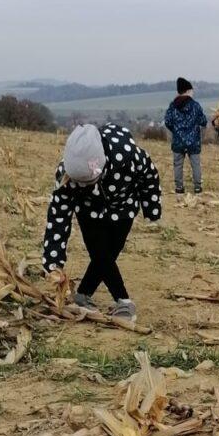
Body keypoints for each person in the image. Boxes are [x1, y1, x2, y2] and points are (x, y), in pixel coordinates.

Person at [41, 122, 162, 321]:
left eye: (88, 182)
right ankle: (123, 301)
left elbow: (149, 176)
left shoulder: (129, 155)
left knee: (111, 250)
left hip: (124, 205)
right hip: (88, 209)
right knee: (100, 253)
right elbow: (58, 216)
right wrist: (53, 262)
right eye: (79, 183)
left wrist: (151, 208)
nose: (83, 186)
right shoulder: (65, 174)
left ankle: (83, 293)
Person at [163, 77, 208, 196]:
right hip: (193, 141)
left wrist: (176, 131)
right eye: (192, 90)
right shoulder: (195, 105)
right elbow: (203, 121)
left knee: (178, 165)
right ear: (187, 91)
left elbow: (167, 121)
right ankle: (197, 188)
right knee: (196, 165)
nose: (193, 93)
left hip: (178, 141)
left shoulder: (173, 106)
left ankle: (179, 189)